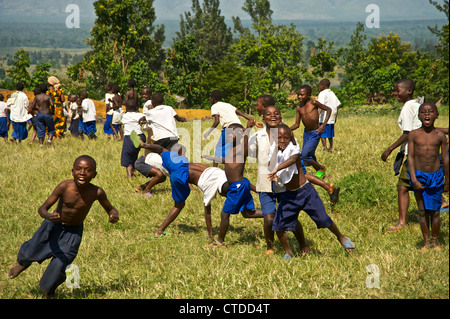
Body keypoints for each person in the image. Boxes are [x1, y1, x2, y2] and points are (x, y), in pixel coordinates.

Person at [8, 155, 119, 298]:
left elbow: (110, 208)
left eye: (88, 170)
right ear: (72, 171)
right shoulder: (64, 186)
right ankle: (23, 264)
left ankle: (49, 289)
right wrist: (48, 215)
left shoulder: (96, 192)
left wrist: (113, 214)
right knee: (33, 249)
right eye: (78, 169)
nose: (82, 173)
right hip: (52, 226)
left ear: (94, 174)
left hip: (73, 232)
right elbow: (43, 208)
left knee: (62, 261)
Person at [249, 103, 339, 256]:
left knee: (290, 217)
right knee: (269, 218)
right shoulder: (257, 137)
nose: (272, 116)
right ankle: (270, 247)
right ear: (262, 118)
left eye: (276, 114)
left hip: (285, 186)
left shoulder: (288, 135)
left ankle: (302, 244)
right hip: (266, 183)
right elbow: (249, 154)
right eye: (268, 114)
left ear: (280, 117)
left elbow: (295, 161)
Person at [269, 124, 355, 258]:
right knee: (278, 225)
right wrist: (274, 174)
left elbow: (292, 160)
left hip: (305, 192)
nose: (282, 140)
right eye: (279, 137)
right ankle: (288, 252)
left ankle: (341, 237)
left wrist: (277, 169)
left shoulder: (294, 148)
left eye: (286, 137)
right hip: (288, 195)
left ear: (290, 137)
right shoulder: (273, 151)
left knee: (323, 218)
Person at [133, 140, 229, 240]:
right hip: (180, 176)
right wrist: (211, 234)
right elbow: (207, 212)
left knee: (162, 150)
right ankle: (159, 231)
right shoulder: (211, 188)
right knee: (179, 205)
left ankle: (144, 145)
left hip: (180, 164)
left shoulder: (222, 173)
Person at [203, 122, 263, 246]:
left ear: (240, 133)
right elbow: (226, 160)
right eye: (227, 135)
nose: (228, 137)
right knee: (247, 213)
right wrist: (213, 158)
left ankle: (220, 241)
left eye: (232, 134)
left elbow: (246, 146)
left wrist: (248, 129)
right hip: (240, 185)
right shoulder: (233, 149)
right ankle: (272, 213)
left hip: (237, 187)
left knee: (225, 214)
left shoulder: (241, 148)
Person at [381, 78, 421, 232]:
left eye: (398, 90)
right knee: (414, 184)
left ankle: (402, 223)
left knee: (403, 187)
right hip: (422, 151)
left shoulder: (407, 108)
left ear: (408, 91)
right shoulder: (418, 105)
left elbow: (407, 133)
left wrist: (389, 149)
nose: (395, 93)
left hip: (412, 152)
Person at [408, 102, 448, 250]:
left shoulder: (440, 136)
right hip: (418, 176)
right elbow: (411, 158)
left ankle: (435, 241)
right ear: (418, 115)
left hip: (436, 176)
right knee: (422, 210)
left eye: (430, 111)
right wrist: (413, 179)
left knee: (436, 211)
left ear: (436, 115)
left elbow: (445, 159)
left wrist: (447, 180)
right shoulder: (413, 135)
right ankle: (426, 242)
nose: (426, 114)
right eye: (423, 112)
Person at [204, 90, 255, 167]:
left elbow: (217, 121)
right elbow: (240, 113)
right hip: (240, 128)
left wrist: (208, 132)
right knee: (235, 149)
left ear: (213, 99)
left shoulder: (214, 106)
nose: (210, 100)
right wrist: (250, 118)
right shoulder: (228, 104)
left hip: (230, 129)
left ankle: (214, 170)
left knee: (219, 149)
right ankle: (236, 168)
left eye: (210, 98)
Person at [290, 84, 331, 179]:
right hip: (306, 134)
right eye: (298, 95)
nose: (299, 96)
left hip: (315, 133)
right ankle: (321, 174)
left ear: (308, 95)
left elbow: (328, 109)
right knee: (310, 155)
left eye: (302, 95)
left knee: (305, 155)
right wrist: (285, 129)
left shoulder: (313, 103)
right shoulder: (299, 108)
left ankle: (321, 168)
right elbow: (297, 124)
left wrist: (323, 125)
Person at [121, 99, 146, 181]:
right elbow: (145, 118)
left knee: (127, 156)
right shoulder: (139, 115)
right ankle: (134, 171)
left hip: (130, 137)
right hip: (140, 136)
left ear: (126, 108)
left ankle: (129, 177)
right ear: (136, 107)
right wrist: (141, 120)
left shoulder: (125, 116)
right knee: (134, 154)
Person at [318, 79, 341, 152]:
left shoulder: (322, 94)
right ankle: (331, 147)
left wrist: (317, 116)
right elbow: (337, 105)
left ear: (323, 86)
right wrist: (335, 116)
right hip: (332, 117)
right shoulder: (332, 93)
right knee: (330, 134)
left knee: (322, 133)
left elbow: (320, 106)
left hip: (324, 117)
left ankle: (325, 148)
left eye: (320, 86)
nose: (319, 87)